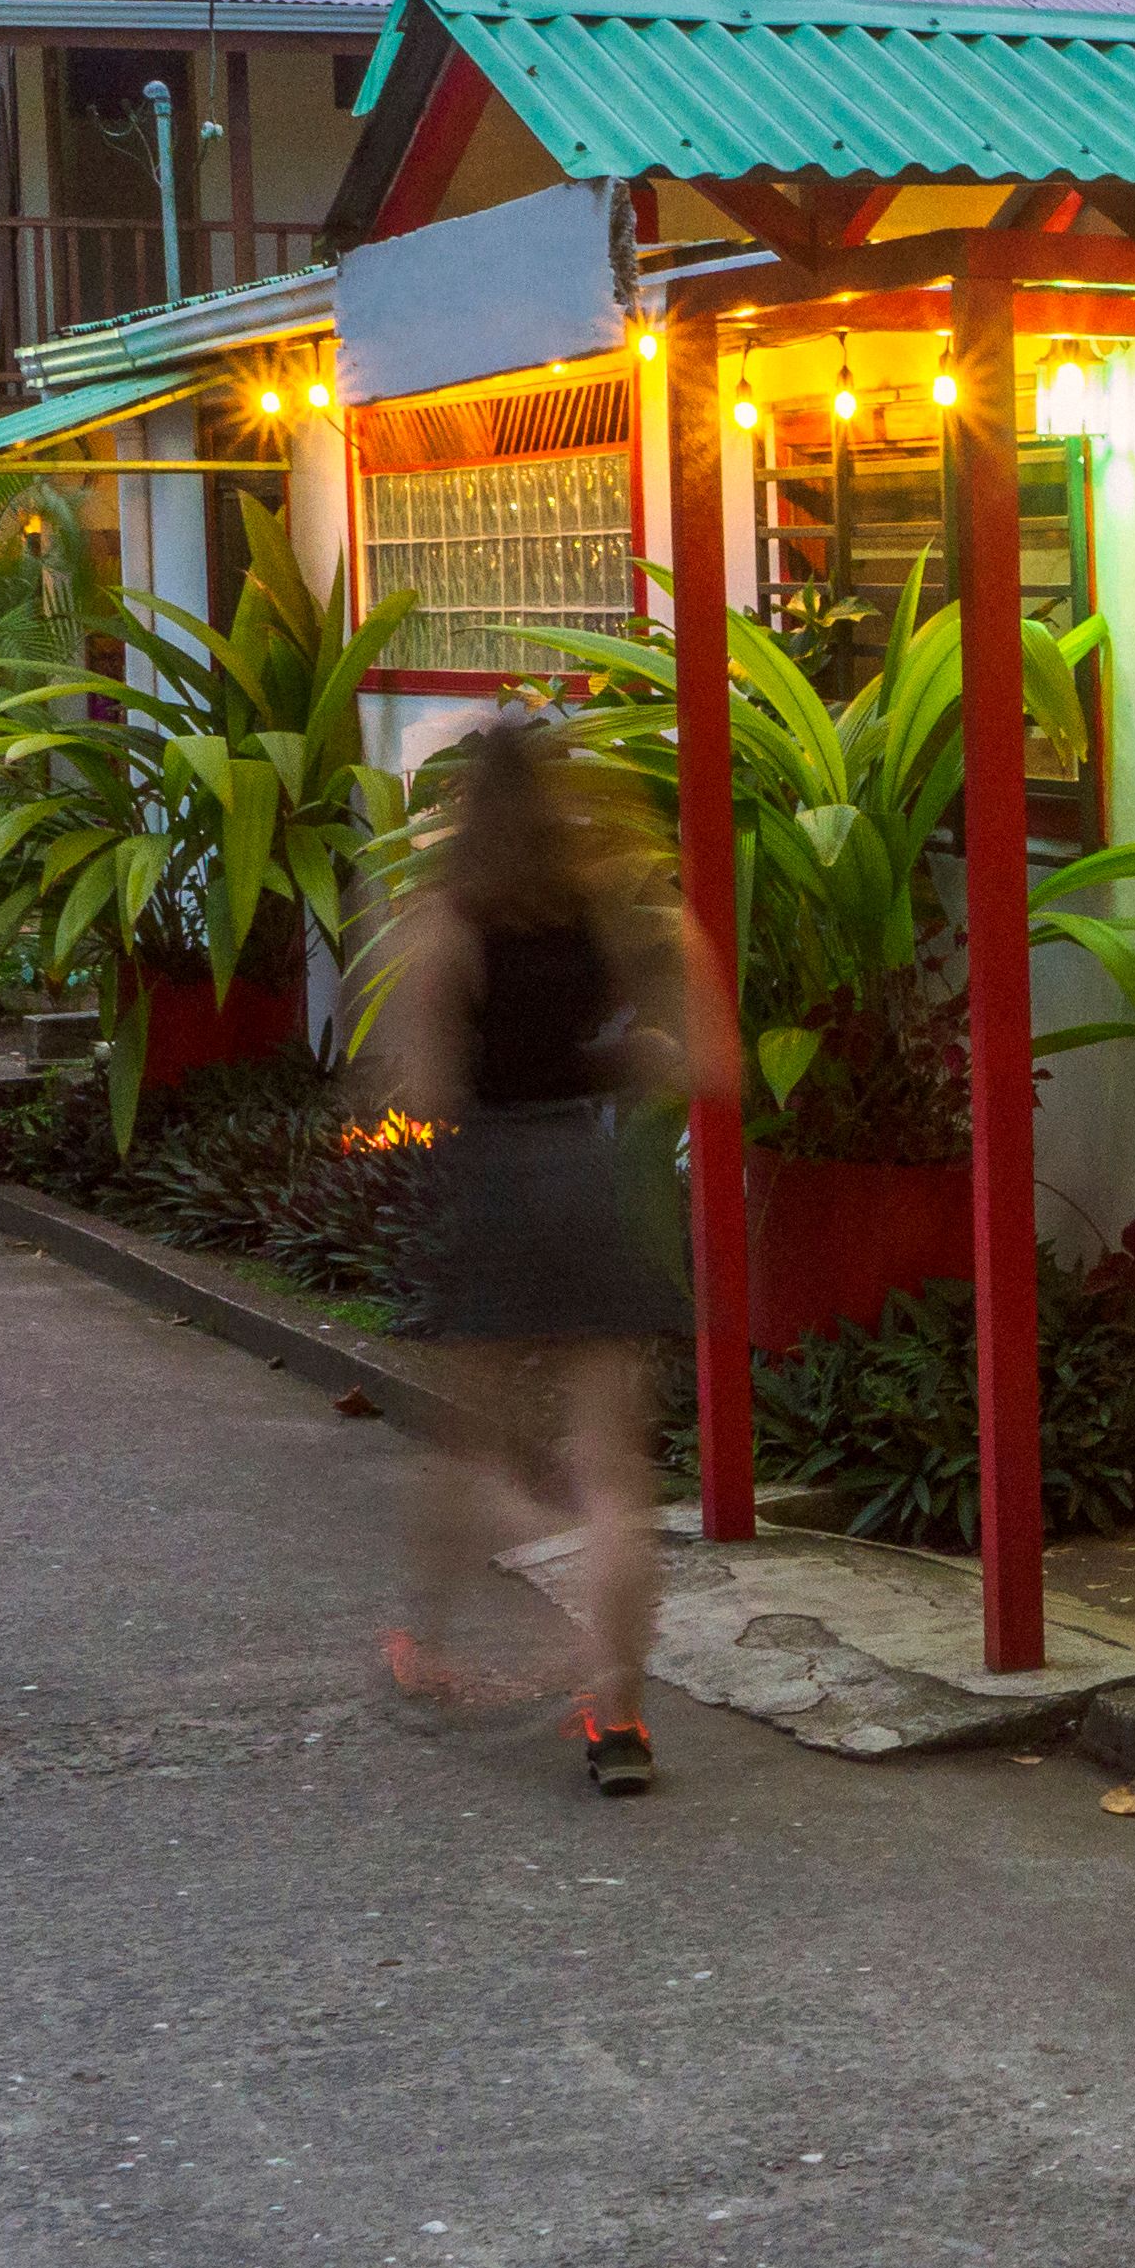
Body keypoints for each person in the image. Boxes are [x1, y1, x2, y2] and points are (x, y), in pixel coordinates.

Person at [379, 713, 730, 1795]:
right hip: (592, 1176)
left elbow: (420, 1090)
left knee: (472, 1442)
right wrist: (619, 1057)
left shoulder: (444, 924)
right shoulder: (608, 912)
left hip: (494, 1185)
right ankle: (616, 1716)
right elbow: (708, 1061)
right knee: (615, 1466)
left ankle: (434, 1645)